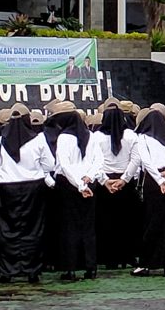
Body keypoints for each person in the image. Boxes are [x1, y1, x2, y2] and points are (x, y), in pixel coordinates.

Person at [0, 103, 55, 283]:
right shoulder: (39, 140)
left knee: (7, 229)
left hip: (7, 187)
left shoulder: (0, 141)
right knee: (33, 228)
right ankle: (32, 270)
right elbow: (49, 164)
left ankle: (7, 271)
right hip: (33, 187)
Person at [132, 107, 165, 277]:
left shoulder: (143, 138)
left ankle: (146, 263)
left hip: (154, 181)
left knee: (153, 222)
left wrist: (160, 180)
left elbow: (146, 162)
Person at [53, 104, 103, 281]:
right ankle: (91, 266)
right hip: (88, 183)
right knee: (88, 227)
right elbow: (99, 160)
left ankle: (70, 268)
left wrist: (79, 184)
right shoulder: (91, 136)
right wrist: (88, 177)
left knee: (69, 227)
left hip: (69, 185)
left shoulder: (63, 138)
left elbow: (65, 165)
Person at [92, 99, 140, 269]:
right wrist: (124, 179)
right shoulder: (131, 136)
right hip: (125, 183)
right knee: (127, 221)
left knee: (106, 221)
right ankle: (128, 256)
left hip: (105, 184)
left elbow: (93, 161)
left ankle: (109, 258)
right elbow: (135, 160)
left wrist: (104, 180)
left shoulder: (96, 137)